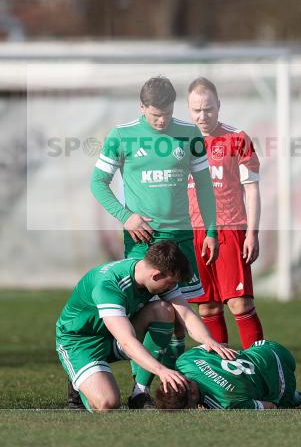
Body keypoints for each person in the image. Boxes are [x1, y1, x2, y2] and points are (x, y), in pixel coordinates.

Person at [90, 76, 219, 407]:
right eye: (154, 116)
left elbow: (204, 185)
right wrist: (126, 216)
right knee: (152, 311)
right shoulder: (122, 136)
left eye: (166, 114)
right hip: (142, 239)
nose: (161, 121)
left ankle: (174, 391)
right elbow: (98, 183)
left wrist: (211, 230)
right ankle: (140, 388)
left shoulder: (189, 135)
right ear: (141, 107)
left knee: (180, 317)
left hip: (182, 236)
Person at [55, 241, 236, 411]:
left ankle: (140, 393)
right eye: (171, 283)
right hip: (80, 343)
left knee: (164, 310)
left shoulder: (152, 273)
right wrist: (161, 370)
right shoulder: (109, 286)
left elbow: (186, 314)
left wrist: (209, 340)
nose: (173, 287)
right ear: (156, 275)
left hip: (113, 335)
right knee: (107, 403)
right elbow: (126, 341)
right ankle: (79, 381)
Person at [186, 77, 264, 348]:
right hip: (192, 233)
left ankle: (259, 370)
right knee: (207, 308)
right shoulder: (177, 142)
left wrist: (251, 233)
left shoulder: (237, 139)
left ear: (218, 105)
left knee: (240, 303)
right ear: (188, 109)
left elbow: (252, 189)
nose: (202, 115)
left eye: (208, 108)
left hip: (229, 229)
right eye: (196, 110)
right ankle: (223, 377)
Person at [153, 339, 301, 410]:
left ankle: (294, 396)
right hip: (266, 346)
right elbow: (221, 346)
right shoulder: (184, 361)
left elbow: (269, 407)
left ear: (192, 393)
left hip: (283, 377)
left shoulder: (225, 403)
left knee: (281, 403)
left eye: (190, 408)